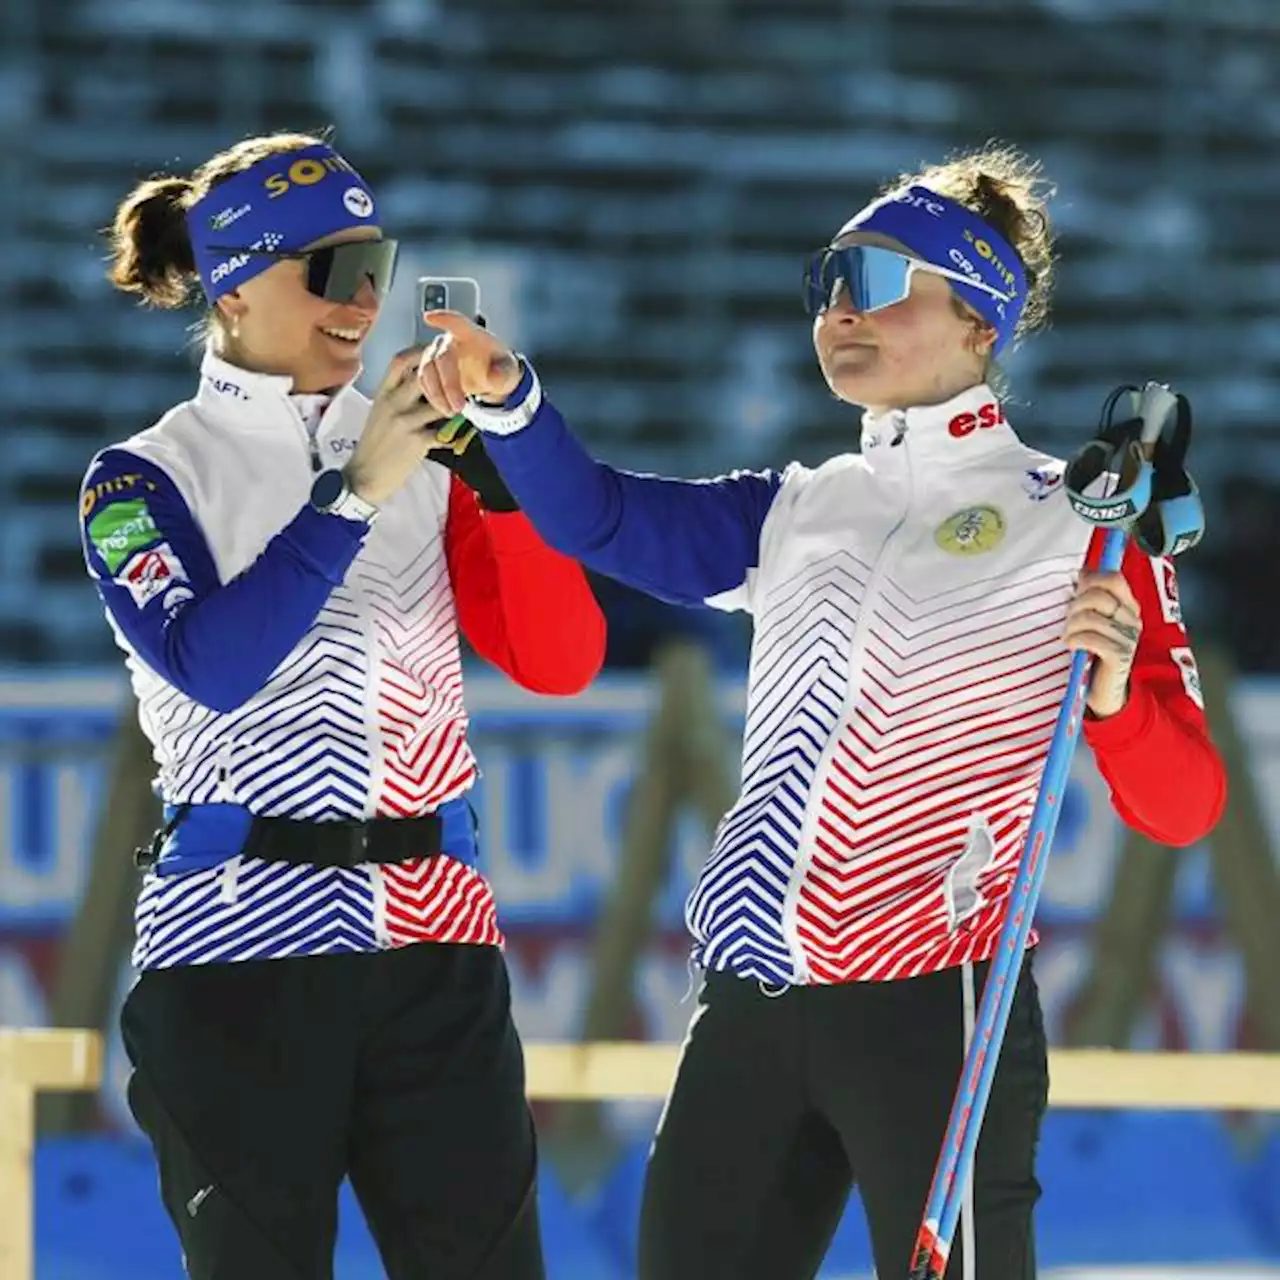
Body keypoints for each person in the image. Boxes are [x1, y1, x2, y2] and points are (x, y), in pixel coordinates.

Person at [414, 144, 1228, 1279]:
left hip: (935, 997)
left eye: (883, 284)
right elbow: (597, 515)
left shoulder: (1078, 522)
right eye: (827, 283)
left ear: (980, 320)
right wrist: (508, 401)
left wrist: (1108, 697)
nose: (842, 310)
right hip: (751, 999)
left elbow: (1185, 803)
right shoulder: (795, 508)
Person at [81, 130, 606, 1280]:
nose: (362, 300)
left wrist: (506, 481)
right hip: (235, 943)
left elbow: (561, 657)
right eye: (327, 269)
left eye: (375, 264)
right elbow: (212, 665)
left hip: (435, 940)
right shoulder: (140, 475)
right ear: (232, 278)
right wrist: (352, 496)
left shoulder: (424, 440)